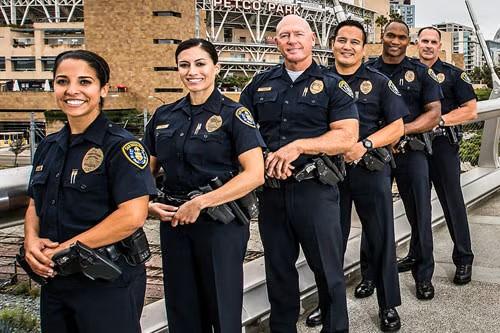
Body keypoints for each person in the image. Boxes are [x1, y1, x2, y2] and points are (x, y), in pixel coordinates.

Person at [23, 50, 157, 332]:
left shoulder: (121, 146)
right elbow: (35, 203)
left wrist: (63, 250)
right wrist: (31, 241)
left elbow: (132, 216)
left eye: (84, 82)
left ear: (103, 89)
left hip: (105, 281)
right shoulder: (48, 147)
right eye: (62, 81)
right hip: (56, 280)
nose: (72, 90)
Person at [240, 15, 359, 333]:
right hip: (272, 193)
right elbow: (241, 133)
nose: (291, 40)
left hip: (314, 191)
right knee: (278, 271)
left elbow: (347, 136)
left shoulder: (334, 85)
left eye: (298, 34)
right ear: (275, 42)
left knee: (328, 271)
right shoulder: (259, 85)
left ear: (312, 40)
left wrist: (299, 147)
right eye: (284, 35)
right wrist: (263, 158)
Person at [143, 38, 265, 333]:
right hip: (175, 223)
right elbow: (145, 171)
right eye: (184, 65)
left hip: (219, 223)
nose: (192, 71)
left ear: (216, 68)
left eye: (200, 64)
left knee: (222, 308)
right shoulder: (164, 115)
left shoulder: (234, 114)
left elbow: (254, 174)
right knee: (182, 308)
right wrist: (147, 204)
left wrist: (202, 201)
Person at [305, 20, 408, 332]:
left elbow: (397, 126)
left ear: (365, 48)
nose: (347, 46)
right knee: (328, 244)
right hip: (327, 174)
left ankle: (388, 305)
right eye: (342, 40)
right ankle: (327, 304)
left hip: (368, 169)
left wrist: (364, 145)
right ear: (332, 43)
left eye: (354, 42)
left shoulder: (377, 82)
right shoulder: (317, 81)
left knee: (381, 238)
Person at [364, 20, 443, 300]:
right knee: (372, 215)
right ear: (381, 37)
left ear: (408, 41)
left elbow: (434, 113)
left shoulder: (420, 72)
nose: (395, 41)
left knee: (420, 215)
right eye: (390, 35)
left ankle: (423, 276)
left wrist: (401, 131)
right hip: (375, 155)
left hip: (412, 152)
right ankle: (369, 275)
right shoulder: (367, 70)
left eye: (401, 37)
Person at [417, 26, 477, 284]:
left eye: (433, 42)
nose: (428, 45)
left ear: (439, 46)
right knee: (417, 207)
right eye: (424, 41)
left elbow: (471, 110)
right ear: (417, 43)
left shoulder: (453, 75)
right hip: (413, 149)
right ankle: (415, 255)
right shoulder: (408, 74)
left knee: (452, 204)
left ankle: (464, 259)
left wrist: (438, 120)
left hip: (442, 146)